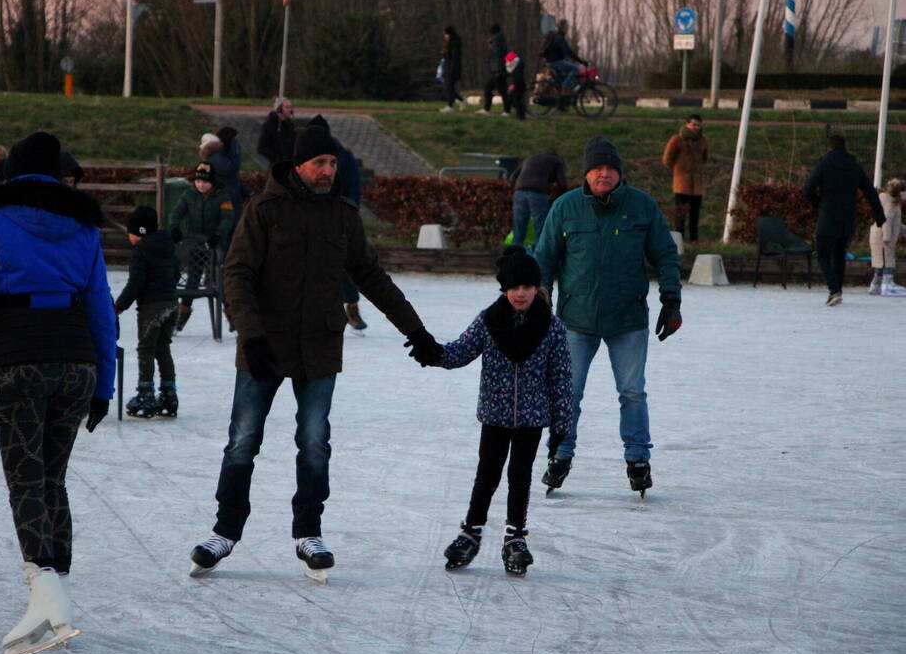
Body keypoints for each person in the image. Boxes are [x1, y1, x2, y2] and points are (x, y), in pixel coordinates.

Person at [188, 126, 442, 579]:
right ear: (300, 166)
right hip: (264, 345)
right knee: (243, 442)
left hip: (320, 347)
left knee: (314, 444)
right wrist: (251, 335)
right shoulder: (264, 209)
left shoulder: (342, 215)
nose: (329, 171)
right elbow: (237, 274)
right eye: (321, 163)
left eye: (333, 163)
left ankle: (309, 532)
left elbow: (371, 276)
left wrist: (417, 331)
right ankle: (225, 531)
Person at [0, 131, 116, 654]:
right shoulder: (85, 226)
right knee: (51, 478)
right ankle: (56, 590)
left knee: (25, 479)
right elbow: (100, 308)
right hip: (75, 360)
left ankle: (47, 596)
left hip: (17, 359)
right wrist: (105, 383)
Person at [535, 136, 681, 498]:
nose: (603, 174)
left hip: (627, 318)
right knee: (568, 393)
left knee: (632, 392)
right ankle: (560, 454)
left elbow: (665, 254)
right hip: (576, 319)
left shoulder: (641, 205)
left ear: (619, 173)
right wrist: (540, 304)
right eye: (597, 168)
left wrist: (671, 300)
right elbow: (545, 258)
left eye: (610, 168)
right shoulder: (566, 207)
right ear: (586, 172)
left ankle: (637, 460)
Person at [429, 246, 572, 575]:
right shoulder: (489, 321)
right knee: (487, 475)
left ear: (538, 288)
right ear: (504, 289)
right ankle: (471, 531)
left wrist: (562, 425)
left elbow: (562, 379)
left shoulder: (552, 328)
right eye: (514, 287)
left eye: (527, 287)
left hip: (532, 419)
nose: (521, 293)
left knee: (519, 477)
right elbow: (459, 352)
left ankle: (515, 536)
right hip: (494, 415)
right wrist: (431, 350)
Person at [803, 134, 884, 306]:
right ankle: (837, 291)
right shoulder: (855, 165)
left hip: (828, 215)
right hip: (847, 217)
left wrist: (818, 203)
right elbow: (870, 191)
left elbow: (808, 188)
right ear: (845, 147)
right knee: (839, 255)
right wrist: (879, 215)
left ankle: (834, 291)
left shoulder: (824, 163)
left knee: (823, 255)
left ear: (829, 148)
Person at [115, 206, 182, 417]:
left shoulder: (140, 252)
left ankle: (146, 394)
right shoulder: (167, 245)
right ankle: (169, 394)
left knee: (146, 349)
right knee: (163, 348)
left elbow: (135, 284)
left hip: (152, 307)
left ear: (140, 232)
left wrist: (118, 306)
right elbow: (177, 272)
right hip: (171, 304)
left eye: (131, 231)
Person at [306, 114, 368, 334]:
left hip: (337, 218)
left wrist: (348, 214)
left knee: (344, 263)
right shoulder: (302, 159)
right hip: (309, 220)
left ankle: (351, 305)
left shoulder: (342, 156)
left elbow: (353, 188)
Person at [168, 161, 234, 333]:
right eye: (198, 181)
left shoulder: (222, 196)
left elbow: (228, 218)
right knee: (192, 280)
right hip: (195, 245)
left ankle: (233, 317)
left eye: (205, 182)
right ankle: (180, 319)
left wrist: (218, 234)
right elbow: (176, 212)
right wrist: (174, 228)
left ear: (212, 182)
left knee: (220, 282)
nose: (201, 185)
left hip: (215, 245)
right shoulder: (189, 194)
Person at [662, 114, 709, 242]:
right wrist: (678, 171)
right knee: (680, 215)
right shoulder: (677, 140)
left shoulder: (703, 141)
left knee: (695, 215)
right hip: (681, 184)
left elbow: (705, 158)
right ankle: (679, 240)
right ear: (687, 124)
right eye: (693, 125)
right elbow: (667, 158)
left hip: (697, 185)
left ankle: (694, 240)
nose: (696, 128)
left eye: (698, 125)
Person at [509, 149, 566, 247]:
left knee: (519, 224)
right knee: (540, 225)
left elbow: (512, 177)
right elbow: (563, 184)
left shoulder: (530, 158)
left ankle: (515, 252)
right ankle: (540, 252)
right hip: (538, 193)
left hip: (519, 191)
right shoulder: (556, 161)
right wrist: (560, 197)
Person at [870, 178, 906, 297]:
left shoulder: (890, 201)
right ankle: (887, 285)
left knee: (881, 261)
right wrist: (886, 237)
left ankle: (876, 285)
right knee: (887, 260)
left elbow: (896, 223)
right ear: (900, 192)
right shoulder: (891, 204)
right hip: (883, 235)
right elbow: (887, 220)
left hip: (879, 233)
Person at [206, 126, 250, 222]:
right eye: (235, 140)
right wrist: (236, 151)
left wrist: (248, 192)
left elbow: (233, 181)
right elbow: (231, 171)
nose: (237, 143)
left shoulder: (225, 156)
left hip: (232, 199)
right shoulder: (217, 157)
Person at [539, 18, 588, 89]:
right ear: (564, 27)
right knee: (575, 69)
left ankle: (560, 94)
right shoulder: (559, 37)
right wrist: (581, 61)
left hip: (550, 61)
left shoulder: (555, 35)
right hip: (555, 61)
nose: (568, 28)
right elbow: (568, 51)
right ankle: (564, 88)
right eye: (567, 26)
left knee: (562, 77)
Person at [477, 23, 510, 117]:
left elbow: (498, 57)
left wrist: (497, 70)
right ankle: (503, 110)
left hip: (498, 71)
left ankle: (504, 110)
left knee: (496, 90)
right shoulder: (500, 41)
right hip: (499, 70)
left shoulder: (496, 43)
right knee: (498, 90)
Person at [256, 97, 296, 167]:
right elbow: (262, 148)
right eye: (287, 107)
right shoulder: (269, 125)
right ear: (279, 109)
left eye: (290, 107)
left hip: (289, 166)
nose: (290, 110)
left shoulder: (290, 125)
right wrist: (279, 159)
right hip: (276, 167)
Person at [439, 26, 464, 114]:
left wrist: (445, 54)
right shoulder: (451, 42)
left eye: (446, 34)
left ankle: (450, 106)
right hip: (449, 67)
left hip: (452, 68)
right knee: (449, 87)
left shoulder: (454, 43)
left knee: (449, 86)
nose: (445, 36)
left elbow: (454, 58)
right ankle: (461, 100)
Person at [504, 51, 527, 120]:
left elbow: (518, 78)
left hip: (518, 86)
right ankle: (520, 115)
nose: (507, 63)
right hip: (517, 85)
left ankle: (521, 117)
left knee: (516, 101)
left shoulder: (517, 67)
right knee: (514, 101)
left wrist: (513, 85)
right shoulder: (515, 66)